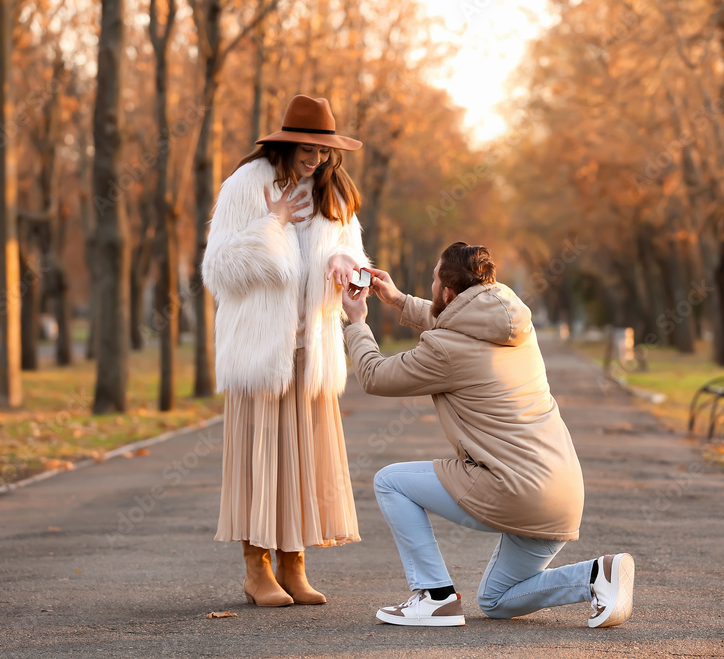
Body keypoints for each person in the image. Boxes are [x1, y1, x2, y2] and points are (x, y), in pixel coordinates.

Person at [339, 242, 635, 627]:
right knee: (496, 600)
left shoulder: (446, 348)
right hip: (561, 493)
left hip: (514, 491)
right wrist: (397, 300)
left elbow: (375, 376)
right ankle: (597, 575)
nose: (430, 286)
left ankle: (434, 596)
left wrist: (357, 322)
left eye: (433, 279)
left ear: (447, 292)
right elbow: (457, 328)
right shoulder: (515, 324)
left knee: (390, 482)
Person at [202, 95, 368, 607]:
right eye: (308, 148)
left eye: (324, 150)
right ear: (287, 142)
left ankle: (294, 567)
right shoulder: (246, 185)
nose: (315, 158)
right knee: (261, 463)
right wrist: (270, 223)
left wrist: (347, 262)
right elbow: (217, 268)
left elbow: (353, 252)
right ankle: (257, 571)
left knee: (302, 465)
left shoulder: (333, 193)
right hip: (260, 352)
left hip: (310, 350)